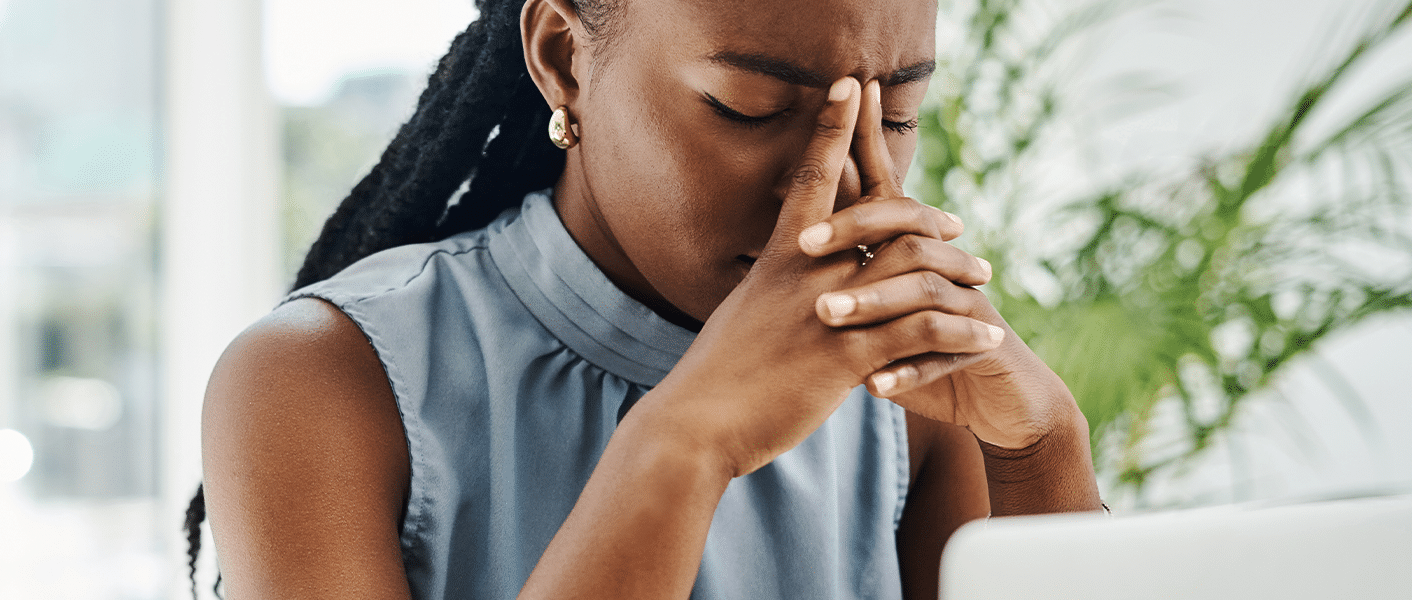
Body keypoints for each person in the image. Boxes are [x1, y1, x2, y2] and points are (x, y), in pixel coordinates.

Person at [189, 0, 1103, 597]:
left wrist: (1044, 449)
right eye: (749, 106)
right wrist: (684, 442)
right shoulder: (324, 380)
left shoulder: (907, 399)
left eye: (896, 114)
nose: (839, 184)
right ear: (563, 59)